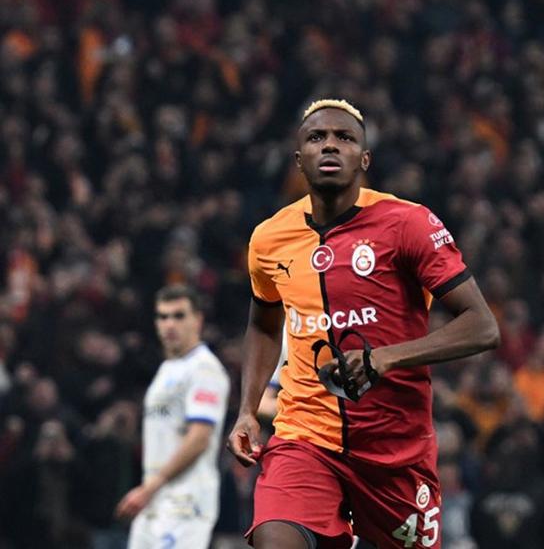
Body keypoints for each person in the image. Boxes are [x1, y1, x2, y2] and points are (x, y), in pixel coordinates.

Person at [226, 98, 500, 549]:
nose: (330, 146)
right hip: (305, 436)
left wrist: (386, 359)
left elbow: (483, 326)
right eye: (317, 138)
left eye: (344, 138)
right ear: (299, 160)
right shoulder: (269, 238)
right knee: (274, 540)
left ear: (364, 158)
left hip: (395, 450)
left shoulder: (408, 224)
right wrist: (247, 410)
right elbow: (262, 325)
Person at [115, 284, 230, 549]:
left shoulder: (205, 369)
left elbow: (200, 437)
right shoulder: (167, 369)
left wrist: (151, 486)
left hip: (185, 502)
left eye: (179, 316)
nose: (169, 324)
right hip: (155, 498)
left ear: (197, 320)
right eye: (163, 316)